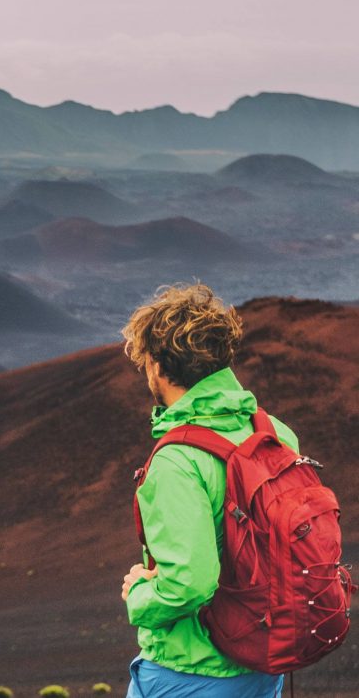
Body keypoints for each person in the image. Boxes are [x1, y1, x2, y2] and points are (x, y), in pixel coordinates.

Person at [120, 285, 287, 697]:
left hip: (190, 672)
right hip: (263, 664)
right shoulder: (274, 433)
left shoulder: (178, 461)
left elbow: (188, 585)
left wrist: (139, 592)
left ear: (157, 365)